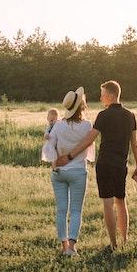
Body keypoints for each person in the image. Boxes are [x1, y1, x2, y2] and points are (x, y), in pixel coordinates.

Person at [53, 80, 137, 250]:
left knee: (108, 204)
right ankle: (125, 240)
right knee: (121, 202)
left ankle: (114, 244)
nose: (101, 98)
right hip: (121, 165)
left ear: (110, 95)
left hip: (105, 165)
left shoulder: (103, 115)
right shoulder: (130, 115)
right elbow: (134, 143)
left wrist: (69, 156)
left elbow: (88, 140)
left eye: (102, 94)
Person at [45, 87, 95, 256]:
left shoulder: (58, 126)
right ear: (82, 106)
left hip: (58, 171)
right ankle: (72, 247)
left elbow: (49, 147)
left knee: (61, 210)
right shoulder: (88, 125)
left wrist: (54, 163)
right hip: (78, 172)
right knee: (75, 210)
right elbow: (90, 150)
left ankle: (63, 245)